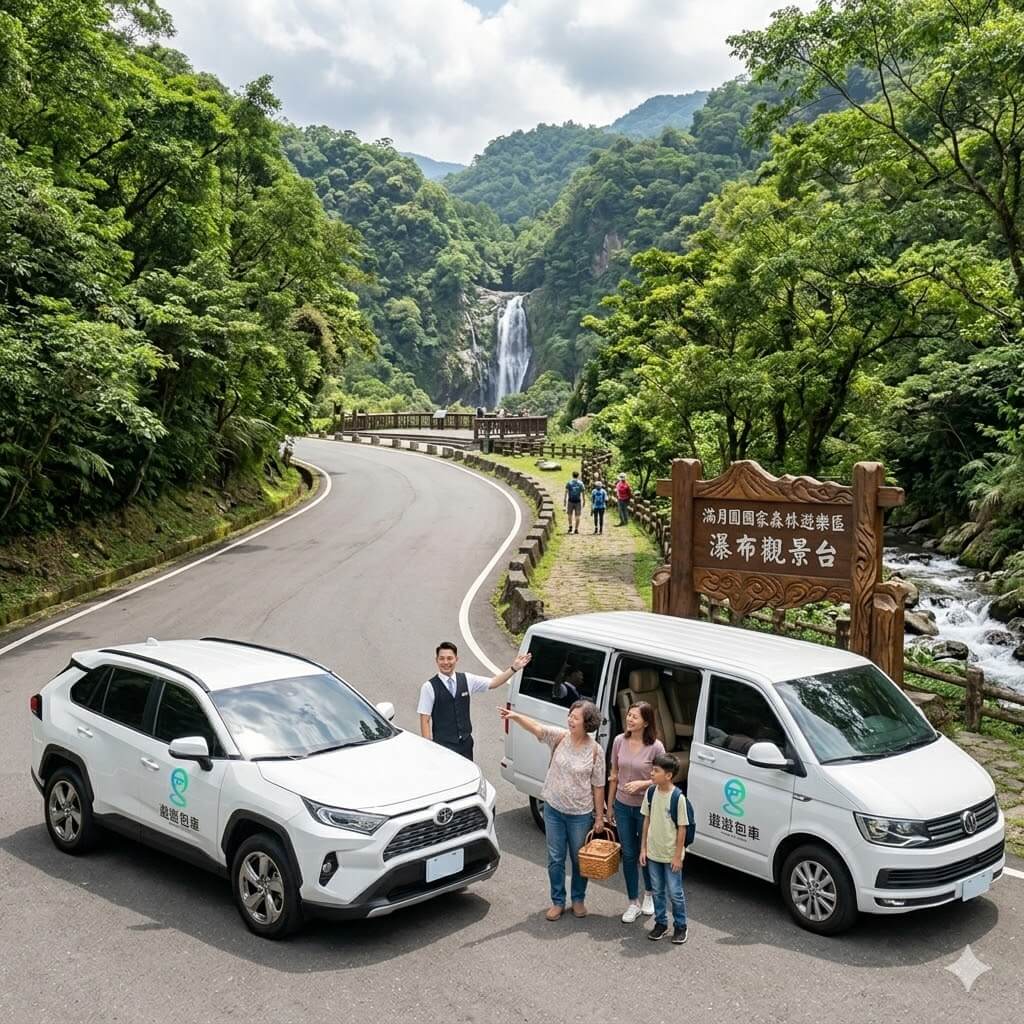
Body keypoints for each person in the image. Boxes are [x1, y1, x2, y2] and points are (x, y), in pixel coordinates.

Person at [499, 700, 606, 920]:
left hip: (580, 814)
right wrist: (515, 716)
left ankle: (578, 900)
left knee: (579, 860)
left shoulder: (596, 750)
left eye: (575, 718)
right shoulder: (559, 737)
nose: (570, 720)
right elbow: (537, 728)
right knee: (555, 858)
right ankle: (558, 901)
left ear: (587, 723)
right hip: (553, 809)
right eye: (570, 715)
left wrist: (600, 817)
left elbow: (598, 785)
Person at [418, 642, 531, 760]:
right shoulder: (428, 687)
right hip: (443, 747)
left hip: (466, 745)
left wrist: (514, 668)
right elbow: (425, 720)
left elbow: (493, 683)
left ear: (456, 659)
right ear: (436, 660)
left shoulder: (466, 679)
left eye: (449, 658)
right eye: (442, 659)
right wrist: (429, 748)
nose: (446, 662)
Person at [608, 702, 665, 923]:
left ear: (646, 722)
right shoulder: (618, 741)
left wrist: (642, 784)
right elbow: (614, 773)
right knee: (629, 854)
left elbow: (663, 778)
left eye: (635, 717)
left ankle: (649, 894)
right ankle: (633, 902)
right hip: (622, 806)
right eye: (629, 715)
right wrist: (610, 805)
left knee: (647, 854)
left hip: (646, 809)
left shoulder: (656, 747)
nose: (629, 719)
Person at [640, 753, 689, 944]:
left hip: (670, 856)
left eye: (656, 771)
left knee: (675, 893)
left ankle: (681, 925)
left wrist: (678, 856)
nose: (652, 773)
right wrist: (643, 848)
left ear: (668, 775)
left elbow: (682, 829)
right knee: (657, 891)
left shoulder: (678, 798)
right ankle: (661, 923)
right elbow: (646, 819)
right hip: (653, 853)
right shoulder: (651, 793)